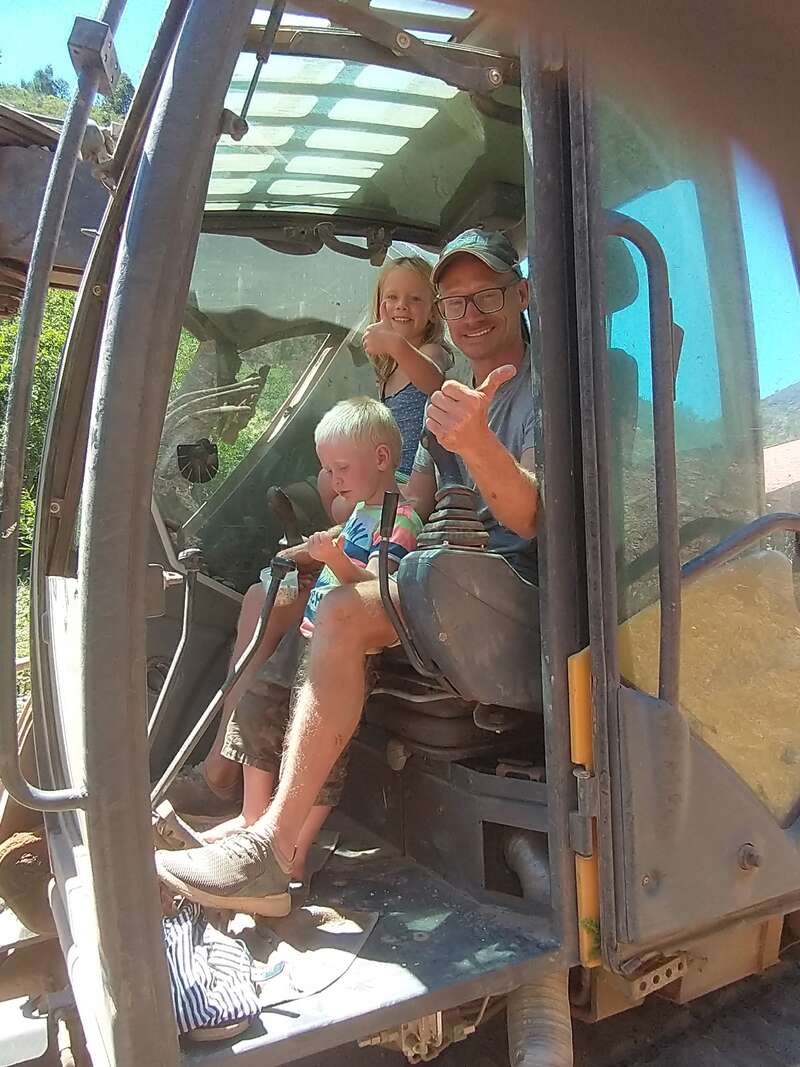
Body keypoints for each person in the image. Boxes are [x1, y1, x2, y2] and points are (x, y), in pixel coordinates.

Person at [155, 229, 539, 913]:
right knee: (277, 591)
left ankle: (272, 849)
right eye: (455, 302)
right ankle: (230, 781)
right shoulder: (451, 399)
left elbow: (528, 516)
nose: (470, 314)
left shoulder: (539, 392)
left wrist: (476, 443)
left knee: (336, 611)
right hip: (438, 567)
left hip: (508, 586)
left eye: (486, 296)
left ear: (523, 295)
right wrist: (343, 545)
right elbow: (413, 497)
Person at [162, 396, 422, 911]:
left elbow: (375, 586)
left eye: (341, 468)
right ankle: (254, 822)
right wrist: (308, 552)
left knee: (320, 750)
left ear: (382, 458)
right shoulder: (357, 513)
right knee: (259, 704)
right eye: (326, 468)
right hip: (308, 629)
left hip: (346, 644)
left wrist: (334, 559)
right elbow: (334, 555)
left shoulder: (401, 517)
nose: (333, 479)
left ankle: (293, 852)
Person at [319, 255, 452, 521]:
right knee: (326, 479)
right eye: (392, 297)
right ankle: (352, 538)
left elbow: (433, 381)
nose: (402, 306)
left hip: (414, 478)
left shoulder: (432, 352)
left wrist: (395, 345)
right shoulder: (389, 369)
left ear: (433, 311)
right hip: (386, 470)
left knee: (347, 508)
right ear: (380, 306)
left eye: (415, 299)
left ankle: (356, 535)